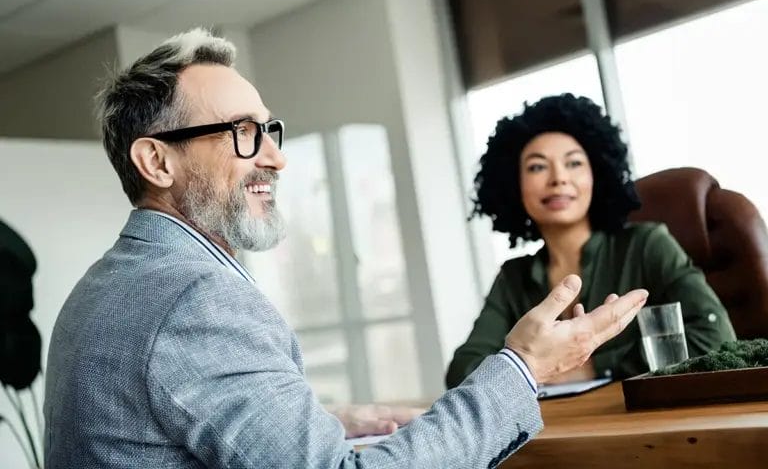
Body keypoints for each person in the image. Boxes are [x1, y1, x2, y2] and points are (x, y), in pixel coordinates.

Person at [43, 29, 648, 468]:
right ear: (156, 159)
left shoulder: (102, 287)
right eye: (244, 133)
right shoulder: (196, 297)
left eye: (269, 131)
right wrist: (525, 367)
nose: (275, 157)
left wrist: (324, 423)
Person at [446, 93, 736, 389]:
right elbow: (462, 371)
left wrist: (584, 367)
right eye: (537, 167)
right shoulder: (513, 278)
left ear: (597, 175)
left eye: (573, 163)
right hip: (551, 430)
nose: (558, 178)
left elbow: (715, 338)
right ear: (513, 185)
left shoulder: (647, 245)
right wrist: (543, 369)